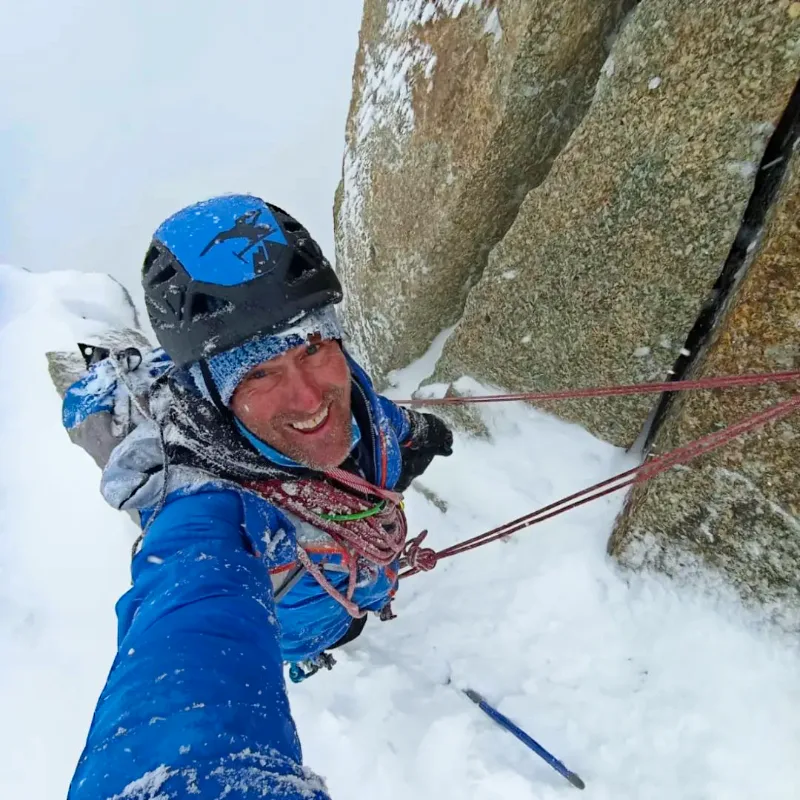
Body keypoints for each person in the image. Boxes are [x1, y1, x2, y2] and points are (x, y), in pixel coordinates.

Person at [66, 195, 453, 799]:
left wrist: (408, 434)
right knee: (314, 635)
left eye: (313, 349)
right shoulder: (207, 512)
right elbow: (188, 635)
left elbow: (366, 416)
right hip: (295, 624)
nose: (309, 399)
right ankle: (312, 652)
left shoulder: (348, 394)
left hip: (350, 590)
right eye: (257, 373)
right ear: (210, 394)